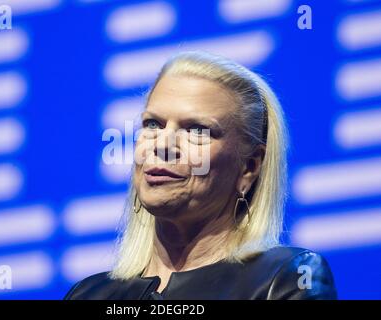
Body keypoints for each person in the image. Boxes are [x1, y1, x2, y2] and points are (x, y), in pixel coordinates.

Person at [64, 51, 337, 300]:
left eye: (196, 130)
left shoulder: (285, 280)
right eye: (152, 124)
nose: (162, 145)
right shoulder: (88, 295)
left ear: (249, 167)